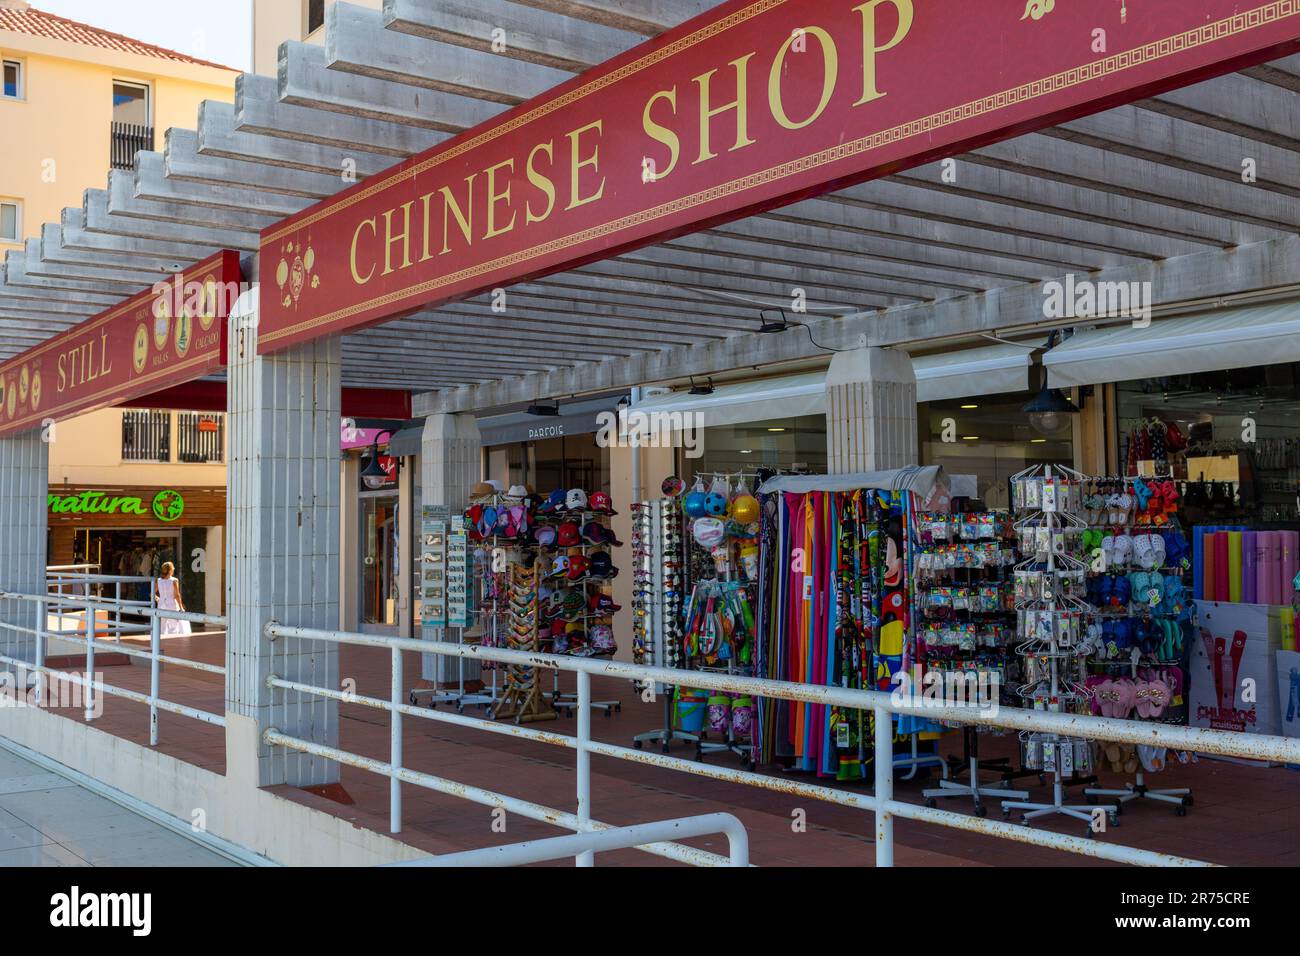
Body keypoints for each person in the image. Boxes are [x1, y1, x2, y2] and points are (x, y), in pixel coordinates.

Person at [155, 562, 192, 637]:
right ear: (170, 570)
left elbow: (152, 593)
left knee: (162, 626)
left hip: (161, 604)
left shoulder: (158, 580)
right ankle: (172, 642)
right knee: (174, 626)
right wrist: (181, 607)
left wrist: (158, 599)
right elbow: (177, 595)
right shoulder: (174, 580)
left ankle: (161, 643)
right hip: (172, 604)